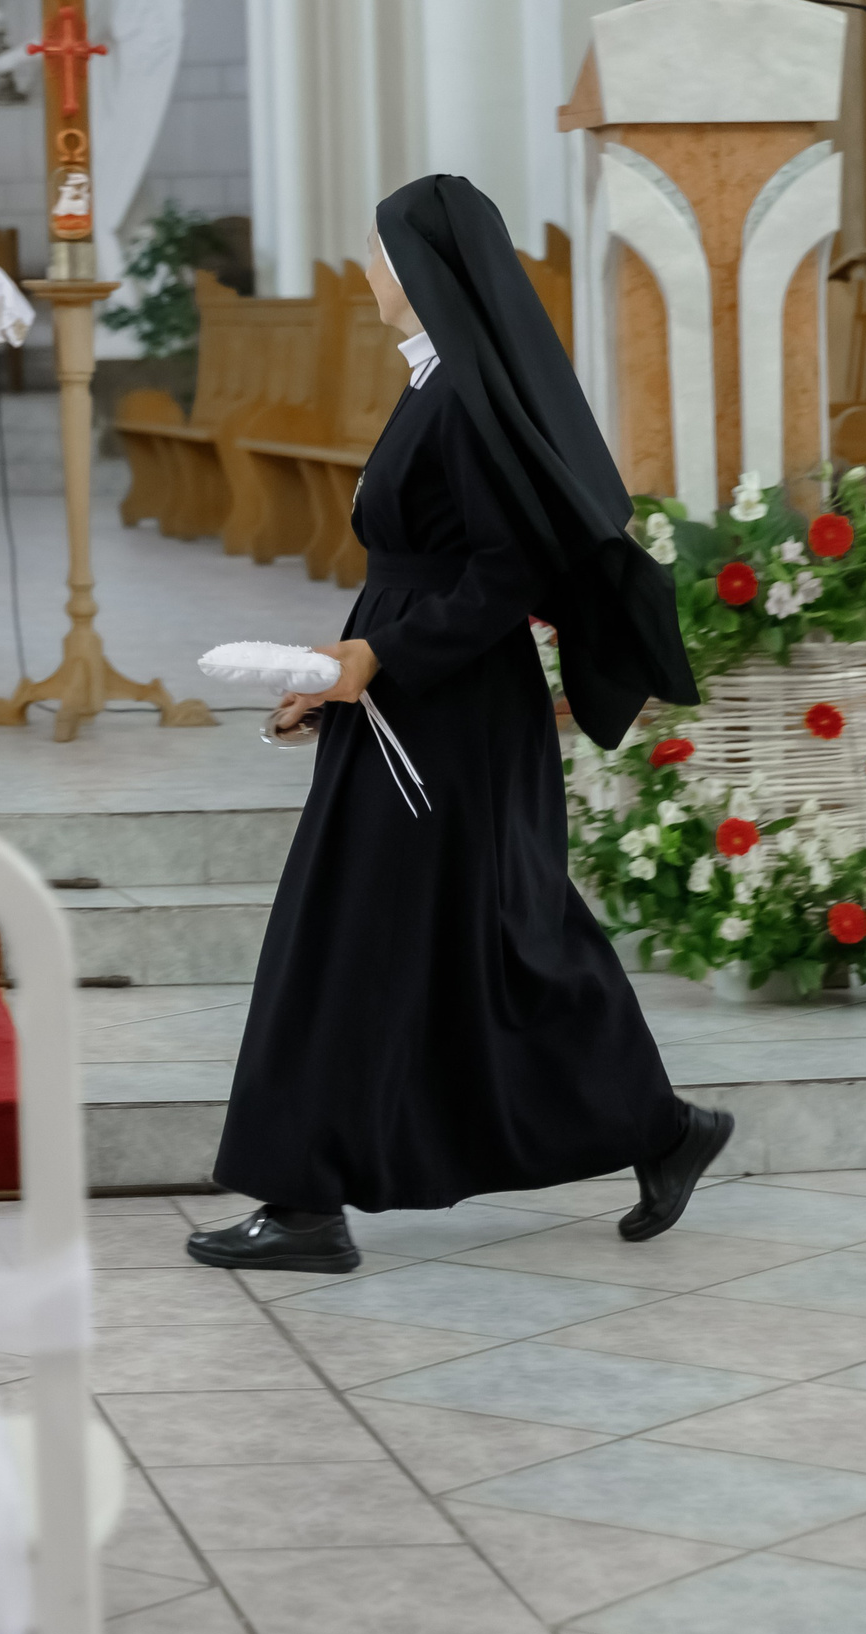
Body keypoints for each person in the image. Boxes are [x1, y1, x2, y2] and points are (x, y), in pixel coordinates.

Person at [188, 175, 732, 1274]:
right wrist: (329, 672)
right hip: (413, 696)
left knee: (394, 937)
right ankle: (660, 1127)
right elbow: (421, 568)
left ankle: (306, 1204)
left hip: (446, 709)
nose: (372, 273)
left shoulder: (464, 398)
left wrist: (376, 658)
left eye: (382, 254)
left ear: (425, 270)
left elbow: (505, 572)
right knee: (481, 939)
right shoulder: (439, 385)